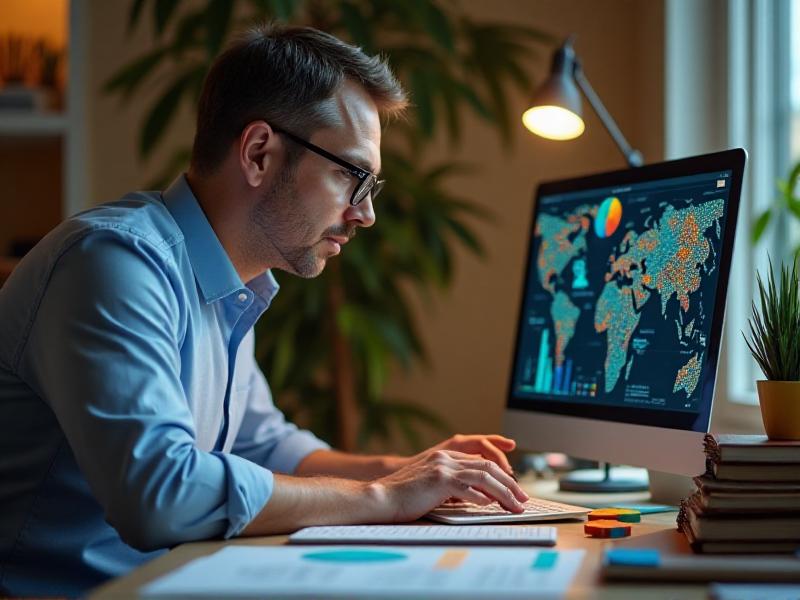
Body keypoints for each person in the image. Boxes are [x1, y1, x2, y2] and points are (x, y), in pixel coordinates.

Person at [0, 24, 529, 596]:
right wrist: (388, 497)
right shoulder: (114, 263)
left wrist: (414, 471)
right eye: (352, 177)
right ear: (259, 153)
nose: (365, 214)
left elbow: (266, 445)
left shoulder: (231, 282)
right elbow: (160, 495)